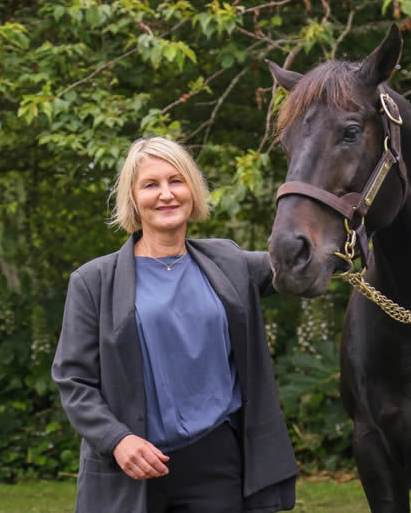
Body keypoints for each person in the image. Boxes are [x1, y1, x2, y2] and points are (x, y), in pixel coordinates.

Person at [52, 136, 297, 513]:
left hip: (215, 463)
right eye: (151, 185)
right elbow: (74, 380)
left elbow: (306, 259)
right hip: (130, 467)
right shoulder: (93, 281)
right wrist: (117, 439)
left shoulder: (230, 262)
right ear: (133, 198)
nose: (166, 194)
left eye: (176, 181)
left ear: (192, 190)